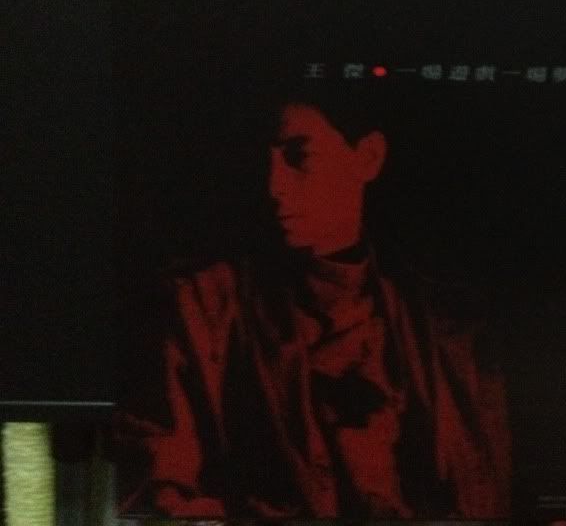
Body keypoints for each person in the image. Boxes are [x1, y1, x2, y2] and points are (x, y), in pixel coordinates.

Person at [115, 87, 511, 518]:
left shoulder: (441, 324)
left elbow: (485, 489)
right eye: (263, 161)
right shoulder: (201, 307)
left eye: (299, 157)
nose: (274, 187)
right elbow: (157, 489)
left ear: (368, 158)